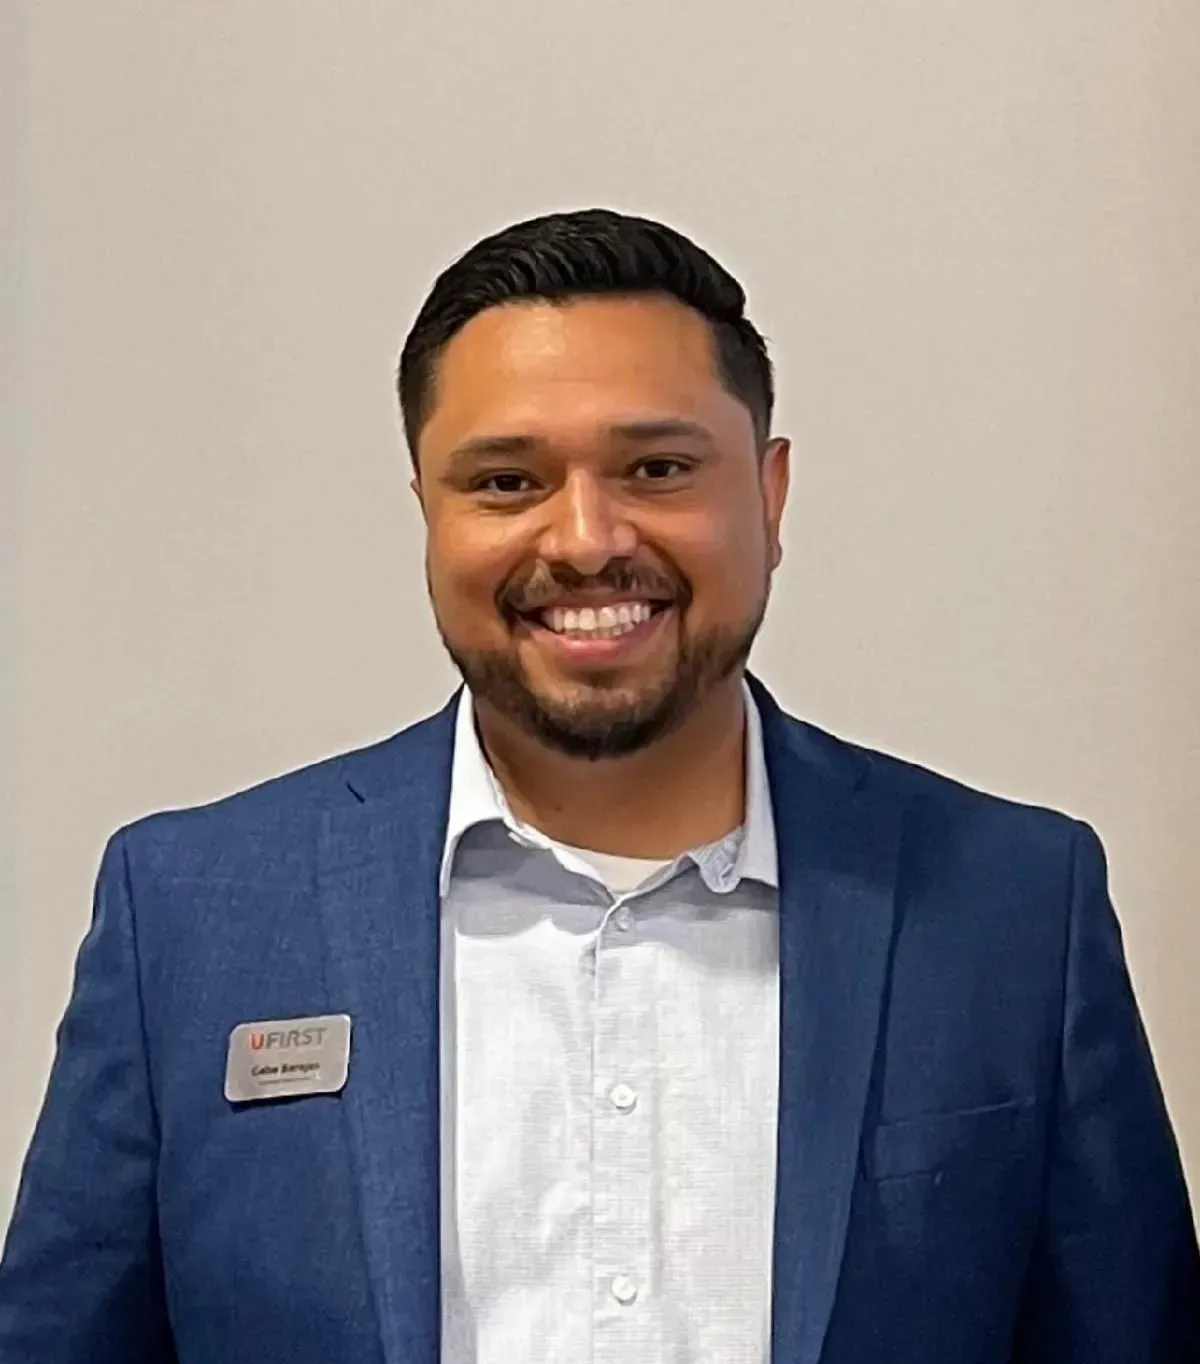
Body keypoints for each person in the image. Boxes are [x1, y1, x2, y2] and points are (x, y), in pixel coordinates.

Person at [0, 207, 1196, 1364]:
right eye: (507, 481)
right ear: (428, 509)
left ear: (770, 497)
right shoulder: (190, 912)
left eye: (659, 466)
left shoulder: (1017, 906)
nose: (585, 538)